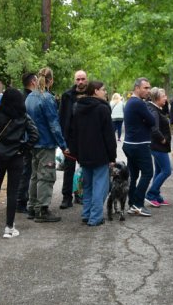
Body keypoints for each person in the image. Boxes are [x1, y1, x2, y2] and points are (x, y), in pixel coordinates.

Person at [0, 88, 38, 238]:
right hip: (16, 157)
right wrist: (23, 147)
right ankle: (9, 228)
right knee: (12, 193)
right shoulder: (23, 117)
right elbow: (35, 134)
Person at [68, 81, 117, 226]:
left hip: (84, 153)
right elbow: (108, 135)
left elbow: (74, 132)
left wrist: (76, 152)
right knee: (100, 186)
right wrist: (112, 156)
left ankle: (86, 213)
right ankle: (95, 217)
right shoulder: (102, 108)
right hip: (100, 153)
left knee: (88, 185)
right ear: (95, 91)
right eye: (103, 89)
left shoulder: (78, 107)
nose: (105, 92)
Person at [25, 68, 67, 223]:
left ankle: (32, 206)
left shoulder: (29, 98)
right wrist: (63, 145)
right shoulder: (47, 98)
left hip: (33, 142)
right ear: (51, 80)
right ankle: (42, 209)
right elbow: (54, 124)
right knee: (46, 176)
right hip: (45, 142)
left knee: (35, 175)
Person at [123, 77, 162, 216]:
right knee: (147, 173)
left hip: (130, 144)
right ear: (137, 88)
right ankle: (138, 204)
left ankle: (131, 203)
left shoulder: (131, 102)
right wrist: (147, 117)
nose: (148, 90)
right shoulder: (138, 103)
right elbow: (152, 121)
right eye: (145, 88)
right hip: (139, 145)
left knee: (133, 175)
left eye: (149, 87)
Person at [58, 69, 88, 209]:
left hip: (86, 138)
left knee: (86, 169)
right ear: (74, 80)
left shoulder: (91, 94)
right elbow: (62, 117)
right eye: (78, 79)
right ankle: (66, 197)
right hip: (70, 139)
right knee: (69, 169)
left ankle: (81, 195)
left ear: (86, 79)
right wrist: (62, 141)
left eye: (82, 79)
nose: (80, 82)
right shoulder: (67, 96)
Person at [145, 88, 173, 207]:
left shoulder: (156, 109)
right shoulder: (154, 111)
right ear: (156, 98)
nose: (165, 98)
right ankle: (151, 194)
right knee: (167, 170)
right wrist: (163, 139)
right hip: (158, 146)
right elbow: (154, 129)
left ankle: (156, 195)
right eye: (163, 96)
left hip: (158, 145)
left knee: (159, 170)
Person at [15, 72, 36, 214]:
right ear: (33, 81)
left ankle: (21, 198)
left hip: (20, 138)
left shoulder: (20, 96)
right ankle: (20, 201)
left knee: (25, 170)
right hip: (26, 139)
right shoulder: (29, 98)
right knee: (26, 170)